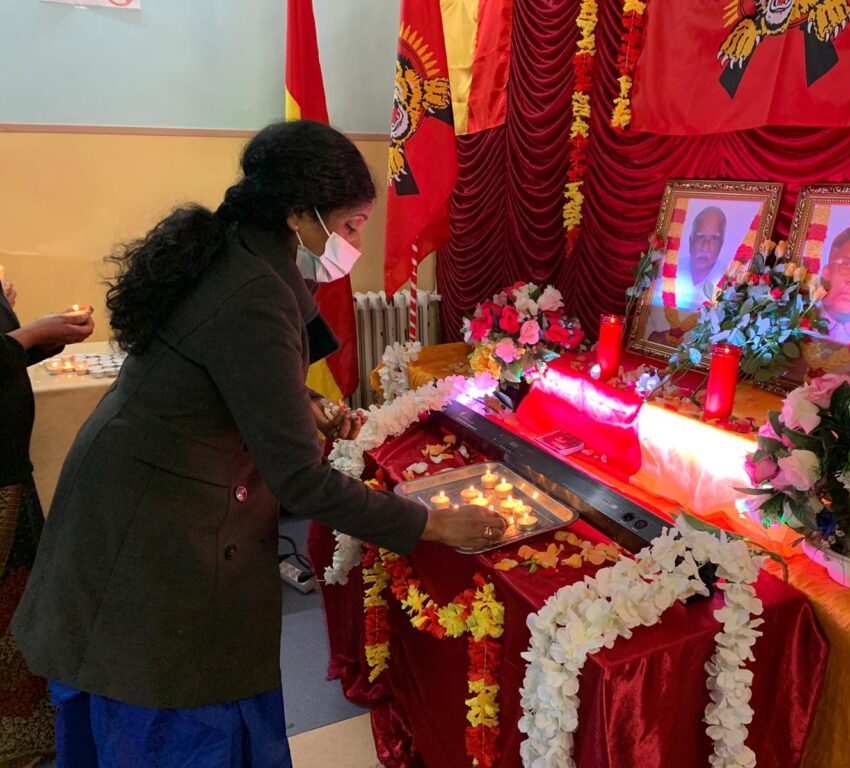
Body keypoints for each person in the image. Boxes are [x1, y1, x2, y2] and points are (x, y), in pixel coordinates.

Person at [12, 120, 506, 767]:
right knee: (170, 711)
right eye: (351, 226)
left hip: (134, 495)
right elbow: (300, 480)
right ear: (299, 212)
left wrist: (304, 404)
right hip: (152, 536)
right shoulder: (252, 291)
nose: (355, 244)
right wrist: (431, 524)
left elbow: (227, 371)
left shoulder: (237, 251)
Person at [1, 276, 95, 767]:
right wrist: (33, 334)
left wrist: (45, 337)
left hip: (10, 466)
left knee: (20, 597)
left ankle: (27, 732)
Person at [645, 205, 728, 346]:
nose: (705, 247)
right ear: (690, 242)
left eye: (714, 239)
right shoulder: (666, 269)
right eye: (700, 237)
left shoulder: (731, 283)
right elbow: (644, 320)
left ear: (721, 245)